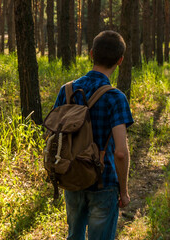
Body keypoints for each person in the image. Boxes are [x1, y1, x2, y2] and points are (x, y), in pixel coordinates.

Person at [52, 30, 133, 240]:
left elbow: (53, 136)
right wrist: (123, 192)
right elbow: (121, 153)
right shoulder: (116, 98)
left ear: (90, 54)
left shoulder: (67, 90)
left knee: (74, 235)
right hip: (103, 182)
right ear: (120, 60)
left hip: (71, 176)